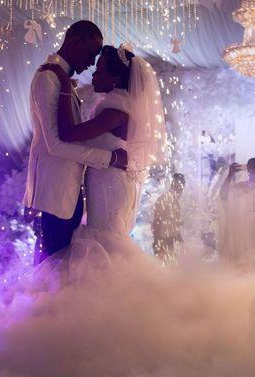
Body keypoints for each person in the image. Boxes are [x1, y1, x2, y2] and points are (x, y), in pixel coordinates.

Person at [33, 43, 167, 288]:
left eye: (99, 70)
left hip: (111, 185)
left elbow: (69, 134)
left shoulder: (115, 110)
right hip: (110, 181)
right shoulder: (119, 105)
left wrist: (64, 88)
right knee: (107, 240)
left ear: (115, 78)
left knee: (106, 241)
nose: (93, 75)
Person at [22, 21, 127, 262]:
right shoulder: (49, 77)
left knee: (58, 266)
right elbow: (55, 144)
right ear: (75, 42)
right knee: (51, 267)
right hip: (56, 192)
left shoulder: (60, 79)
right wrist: (109, 158)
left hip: (67, 190)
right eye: (91, 53)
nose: (91, 62)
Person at [151, 173, 185, 260]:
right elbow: (157, 222)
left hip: (170, 243)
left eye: (182, 186)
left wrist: (179, 239)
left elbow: (174, 225)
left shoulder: (175, 201)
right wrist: (157, 242)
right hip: (163, 242)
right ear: (174, 185)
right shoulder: (164, 199)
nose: (181, 189)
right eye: (180, 186)